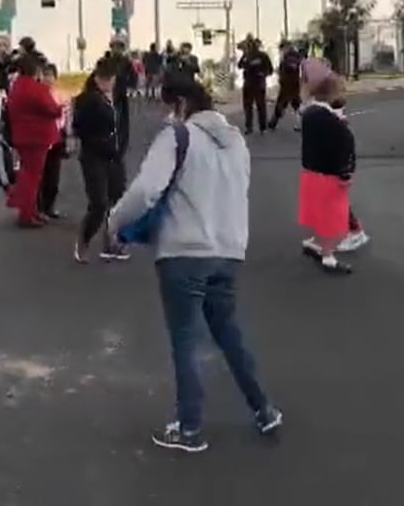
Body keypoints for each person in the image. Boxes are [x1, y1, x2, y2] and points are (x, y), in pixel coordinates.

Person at [106, 74, 281, 453]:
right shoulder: (237, 142)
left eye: (169, 108)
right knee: (229, 334)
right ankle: (263, 409)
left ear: (181, 104)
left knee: (184, 340)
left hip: (184, 253)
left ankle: (189, 428)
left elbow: (145, 190)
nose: (167, 116)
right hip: (228, 252)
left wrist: (115, 221)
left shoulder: (177, 137)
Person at [298, 73, 356, 274]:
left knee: (317, 212)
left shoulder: (310, 114)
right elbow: (342, 146)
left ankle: (315, 242)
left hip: (312, 171)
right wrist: (345, 173)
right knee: (333, 219)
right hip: (330, 174)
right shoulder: (331, 120)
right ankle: (328, 256)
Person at [71, 59, 127, 263]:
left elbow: (124, 123)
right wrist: (100, 142)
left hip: (115, 155)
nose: (108, 83)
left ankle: (111, 242)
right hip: (94, 156)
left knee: (118, 200)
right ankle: (84, 240)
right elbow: (79, 128)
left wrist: (121, 146)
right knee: (99, 203)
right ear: (96, 78)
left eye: (110, 79)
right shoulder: (87, 100)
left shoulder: (119, 97)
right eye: (104, 79)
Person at [5, 53, 63, 227]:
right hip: (37, 138)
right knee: (33, 177)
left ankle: (31, 210)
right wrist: (61, 107)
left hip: (23, 136)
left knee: (27, 174)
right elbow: (52, 109)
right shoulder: (35, 88)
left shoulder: (17, 86)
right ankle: (27, 214)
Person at [37, 63, 69, 220]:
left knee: (54, 174)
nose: (47, 78)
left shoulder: (61, 95)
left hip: (57, 136)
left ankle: (50, 206)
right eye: (45, 75)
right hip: (41, 137)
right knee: (40, 174)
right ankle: (39, 208)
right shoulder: (37, 95)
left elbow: (67, 117)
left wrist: (68, 134)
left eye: (50, 75)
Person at [237, 36, 274, 135]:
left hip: (258, 84)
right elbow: (239, 66)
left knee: (260, 106)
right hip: (248, 84)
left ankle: (262, 127)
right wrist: (244, 55)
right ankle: (249, 127)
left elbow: (270, 70)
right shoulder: (246, 56)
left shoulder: (263, 56)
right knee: (248, 107)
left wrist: (263, 74)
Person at [269, 40, 304, 132]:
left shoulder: (289, 57)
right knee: (295, 104)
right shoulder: (295, 56)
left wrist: (281, 73)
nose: (281, 51)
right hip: (293, 83)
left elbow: (288, 69)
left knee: (284, 103)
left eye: (282, 48)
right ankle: (300, 123)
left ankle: (273, 122)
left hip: (288, 83)